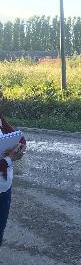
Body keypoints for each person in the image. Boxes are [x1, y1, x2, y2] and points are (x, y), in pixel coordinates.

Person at [0, 85, 27, 247]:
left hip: (4, 187)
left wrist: (20, 145)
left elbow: (18, 136)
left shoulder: (1, 120)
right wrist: (10, 159)